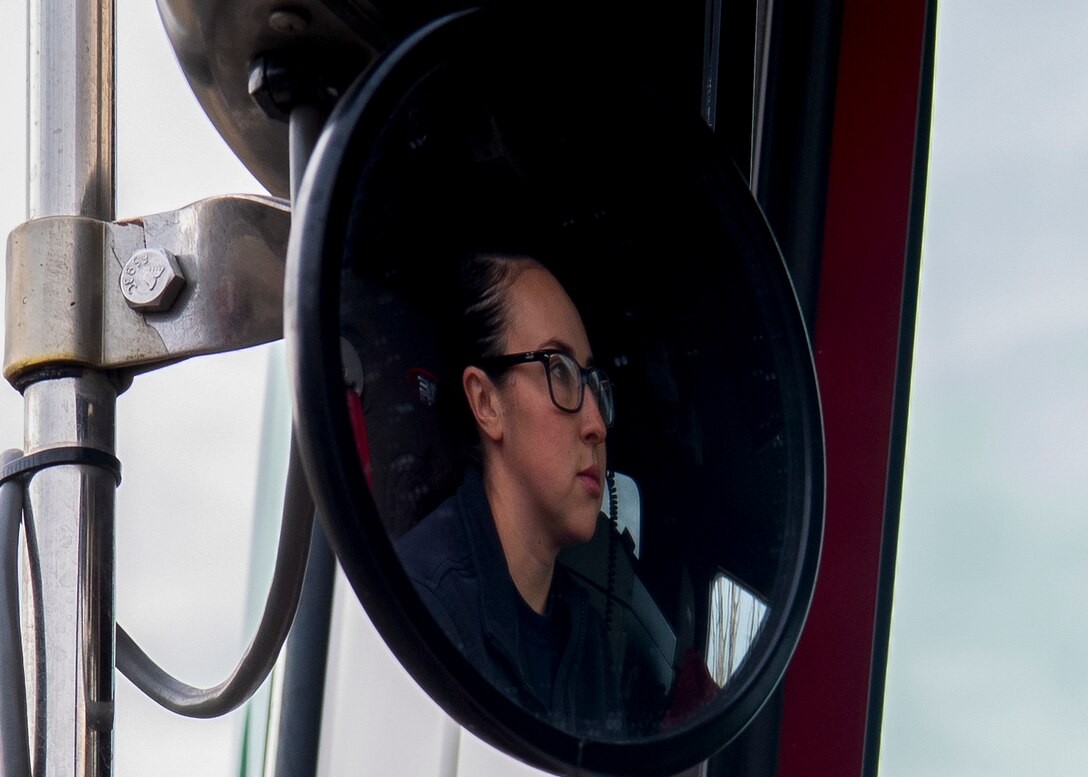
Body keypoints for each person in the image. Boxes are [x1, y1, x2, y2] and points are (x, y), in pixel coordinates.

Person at [396, 252, 622, 734]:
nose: (596, 425)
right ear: (486, 403)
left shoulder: (586, 644)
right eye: (559, 370)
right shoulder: (422, 609)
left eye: (592, 384)